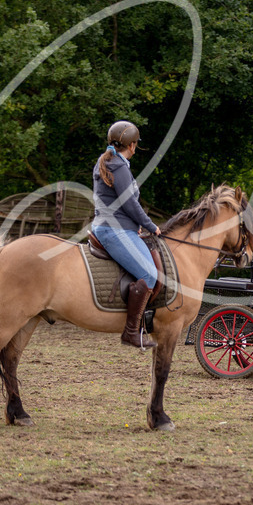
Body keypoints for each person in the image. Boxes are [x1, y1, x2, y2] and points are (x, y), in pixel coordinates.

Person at [92, 120, 161, 349]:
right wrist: (150, 225)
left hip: (114, 226)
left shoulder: (109, 161)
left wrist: (136, 225)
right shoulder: (118, 166)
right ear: (132, 145)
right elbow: (129, 203)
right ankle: (131, 332)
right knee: (150, 274)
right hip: (114, 230)